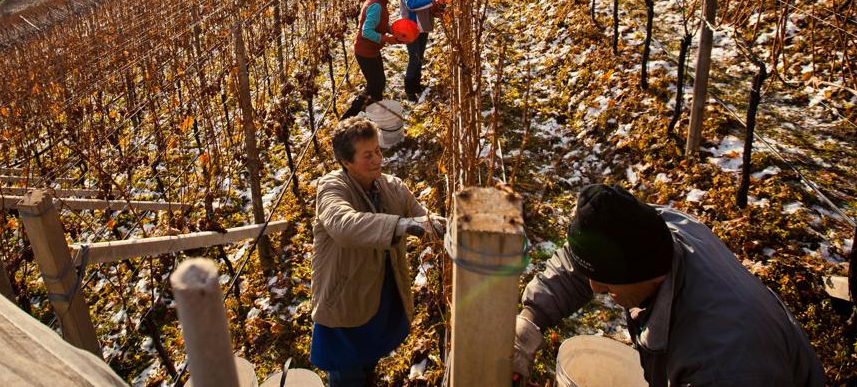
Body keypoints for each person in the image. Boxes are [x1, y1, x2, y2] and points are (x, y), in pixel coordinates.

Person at [513, 184, 825, 387]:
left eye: (608, 287)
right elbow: (585, 260)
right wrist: (530, 320)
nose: (594, 288)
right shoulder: (657, 233)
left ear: (647, 275)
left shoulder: (721, 362)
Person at [310, 117, 446, 386]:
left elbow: (423, 217)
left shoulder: (391, 187)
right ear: (346, 162)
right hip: (344, 300)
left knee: (369, 353)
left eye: (378, 151)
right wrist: (402, 225)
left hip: (379, 289)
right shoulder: (332, 188)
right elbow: (343, 225)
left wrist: (445, 227)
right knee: (347, 373)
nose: (378, 160)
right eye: (367, 155)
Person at [342, 0, 398, 119]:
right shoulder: (376, 6)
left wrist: (392, 29)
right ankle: (350, 116)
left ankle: (375, 113)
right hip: (365, 51)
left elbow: (378, 23)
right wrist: (386, 38)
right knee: (374, 86)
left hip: (371, 49)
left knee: (379, 83)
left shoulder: (375, 1)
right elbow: (367, 31)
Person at [399, 0, 435, 101]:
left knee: (420, 56)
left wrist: (437, 6)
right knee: (413, 58)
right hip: (412, 25)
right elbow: (411, 3)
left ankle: (416, 85)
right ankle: (409, 90)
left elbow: (429, 2)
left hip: (424, 24)